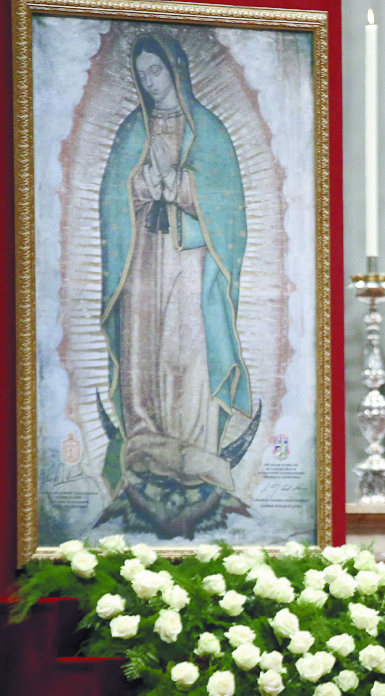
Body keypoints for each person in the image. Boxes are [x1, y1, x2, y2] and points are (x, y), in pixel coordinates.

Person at [99, 34, 251, 496]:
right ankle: (146, 442)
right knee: (143, 344)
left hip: (190, 258)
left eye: (156, 71)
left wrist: (182, 186)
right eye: (141, 75)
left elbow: (228, 204)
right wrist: (142, 185)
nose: (149, 82)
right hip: (143, 256)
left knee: (187, 345)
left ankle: (193, 445)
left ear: (175, 70)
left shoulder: (207, 129)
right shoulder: (133, 129)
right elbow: (113, 197)